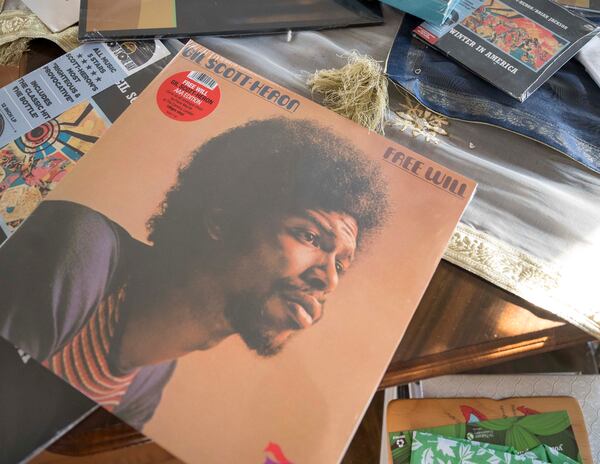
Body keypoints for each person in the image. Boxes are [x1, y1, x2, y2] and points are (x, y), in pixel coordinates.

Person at [0, 118, 389, 429]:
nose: (329, 280)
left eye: (341, 264)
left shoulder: (148, 385)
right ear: (222, 221)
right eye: (310, 236)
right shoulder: (78, 250)